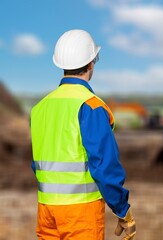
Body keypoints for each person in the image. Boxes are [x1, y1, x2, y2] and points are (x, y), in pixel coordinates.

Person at [30, 29, 136, 240]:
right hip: (80, 213)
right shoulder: (91, 106)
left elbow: (38, 163)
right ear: (91, 63)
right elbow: (104, 165)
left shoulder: (40, 108)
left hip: (46, 210)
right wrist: (122, 210)